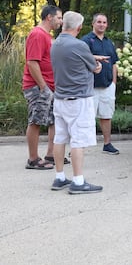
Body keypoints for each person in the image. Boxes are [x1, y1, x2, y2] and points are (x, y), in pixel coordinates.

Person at [50, 11, 104, 194]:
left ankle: (59, 177)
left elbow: (71, 60)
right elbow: (94, 68)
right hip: (79, 99)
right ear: (79, 27)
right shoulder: (80, 45)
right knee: (78, 140)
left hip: (60, 98)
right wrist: (98, 64)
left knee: (59, 138)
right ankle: (78, 181)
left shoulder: (55, 44)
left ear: (64, 24)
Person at [22, 5, 63, 170]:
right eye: (59, 18)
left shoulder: (47, 35)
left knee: (54, 120)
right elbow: (32, 62)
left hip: (49, 87)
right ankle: (33, 159)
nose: (61, 21)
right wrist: (43, 87)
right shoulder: (37, 34)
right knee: (36, 120)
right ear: (49, 17)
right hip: (38, 87)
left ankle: (51, 155)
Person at [81, 13, 120, 155]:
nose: (102, 24)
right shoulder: (86, 41)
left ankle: (107, 144)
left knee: (106, 115)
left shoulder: (109, 42)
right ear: (93, 23)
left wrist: (114, 83)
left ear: (107, 25)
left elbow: (114, 64)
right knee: (86, 117)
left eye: (104, 22)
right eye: (99, 22)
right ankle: (79, 147)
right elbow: (80, 58)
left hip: (108, 85)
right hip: (90, 86)